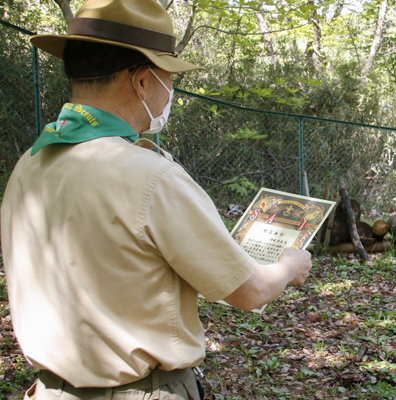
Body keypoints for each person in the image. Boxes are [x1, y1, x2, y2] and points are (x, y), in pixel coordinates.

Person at [0, 1, 312, 399]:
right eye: (170, 78)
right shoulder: (150, 174)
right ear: (143, 81)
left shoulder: (30, 163)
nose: (171, 93)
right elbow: (248, 291)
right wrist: (287, 265)